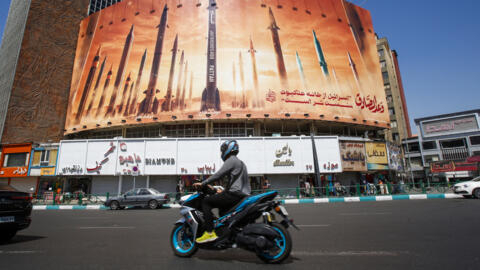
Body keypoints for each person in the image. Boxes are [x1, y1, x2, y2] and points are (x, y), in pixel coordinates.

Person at [192, 140, 251, 244]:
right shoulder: (241, 163)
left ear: (228, 149)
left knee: (206, 202)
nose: (222, 152)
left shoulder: (231, 160)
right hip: (242, 195)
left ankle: (210, 232)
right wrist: (217, 190)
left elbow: (218, 175)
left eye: (222, 150)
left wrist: (203, 184)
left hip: (234, 195)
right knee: (222, 210)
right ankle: (226, 234)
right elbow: (235, 182)